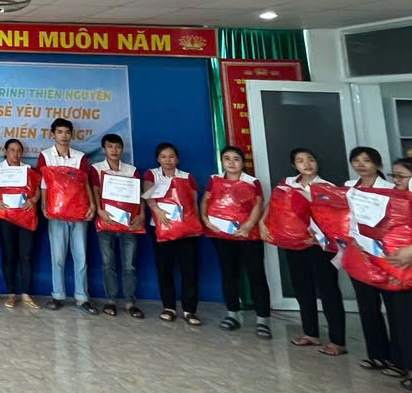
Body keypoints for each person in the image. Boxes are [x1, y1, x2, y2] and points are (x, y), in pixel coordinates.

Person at [258, 147, 346, 355]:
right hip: (294, 245)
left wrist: (322, 236)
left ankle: (338, 341)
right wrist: (262, 221)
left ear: (317, 163)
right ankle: (311, 333)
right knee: (302, 289)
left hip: (320, 247)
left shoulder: (328, 187)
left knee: (328, 291)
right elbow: (273, 204)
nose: (306, 164)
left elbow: (339, 220)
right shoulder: (287, 184)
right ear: (294, 165)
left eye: (310, 159)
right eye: (300, 160)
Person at [201, 145, 272, 337]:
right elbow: (206, 201)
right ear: (222, 162)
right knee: (229, 274)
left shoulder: (251, 181)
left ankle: (262, 319)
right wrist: (206, 220)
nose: (231, 163)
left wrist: (249, 225)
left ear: (242, 162)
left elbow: (258, 204)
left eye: (236, 159)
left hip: (247, 236)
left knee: (256, 275)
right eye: (227, 158)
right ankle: (232, 314)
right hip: (222, 236)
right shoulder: (214, 180)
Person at [346, 146, 400, 376]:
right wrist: (353, 239)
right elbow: (347, 219)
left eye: (366, 160)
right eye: (356, 160)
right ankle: (377, 355)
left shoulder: (392, 189)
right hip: (360, 253)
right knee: (367, 306)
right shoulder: (349, 188)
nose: (360, 165)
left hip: (387, 256)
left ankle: (399, 359)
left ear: (378, 164)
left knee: (395, 309)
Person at [39, 118, 98, 315]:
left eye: (67, 132)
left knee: (81, 256)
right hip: (56, 212)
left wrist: (92, 205)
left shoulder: (80, 157)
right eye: (60, 132)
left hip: (79, 212)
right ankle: (57, 295)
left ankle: (82, 297)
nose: (64, 136)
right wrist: (43, 204)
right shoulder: (45, 156)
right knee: (57, 256)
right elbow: (44, 183)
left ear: (71, 135)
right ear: (52, 135)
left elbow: (85, 183)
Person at [144, 142, 201, 326]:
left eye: (171, 156)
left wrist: (196, 225)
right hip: (160, 227)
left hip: (186, 230)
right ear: (158, 159)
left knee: (189, 269)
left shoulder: (187, 176)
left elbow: (193, 203)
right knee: (164, 268)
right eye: (163, 157)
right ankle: (168, 307)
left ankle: (190, 310)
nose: (167, 160)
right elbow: (148, 196)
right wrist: (157, 211)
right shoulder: (152, 174)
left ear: (177, 159)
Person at [91, 133, 144, 319]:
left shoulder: (131, 170)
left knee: (129, 265)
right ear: (104, 149)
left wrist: (141, 216)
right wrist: (100, 211)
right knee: (108, 264)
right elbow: (95, 192)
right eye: (110, 146)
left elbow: (139, 195)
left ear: (122, 149)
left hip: (129, 224)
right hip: (106, 222)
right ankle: (110, 301)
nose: (114, 150)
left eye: (118, 147)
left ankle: (130, 302)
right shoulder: (96, 169)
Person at [0, 138, 40, 309]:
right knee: (9, 255)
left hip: (26, 218)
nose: (16, 153)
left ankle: (25, 294)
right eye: (12, 150)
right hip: (6, 218)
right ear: (6, 151)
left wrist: (33, 200)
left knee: (26, 256)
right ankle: (11, 293)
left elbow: (38, 190)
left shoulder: (28, 170)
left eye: (19, 150)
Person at [386, 158, 412, 393]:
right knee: (404, 322)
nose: (396, 181)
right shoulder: (394, 199)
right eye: (394, 175)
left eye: (402, 176)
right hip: (400, 273)